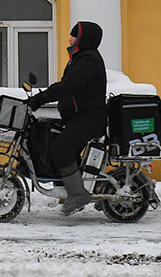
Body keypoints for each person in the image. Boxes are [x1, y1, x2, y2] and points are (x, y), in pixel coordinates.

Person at [26, 21, 108, 215]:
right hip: (79, 117)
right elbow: (68, 87)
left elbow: (69, 85)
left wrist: (42, 98)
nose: (70, 39)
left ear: (83, 38)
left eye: (74, 35)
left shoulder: (89, 60)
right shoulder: (80, 58)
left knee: (61, 149)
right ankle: (70, 187)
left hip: (89, 119)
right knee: (54, 140)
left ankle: (78, 194)